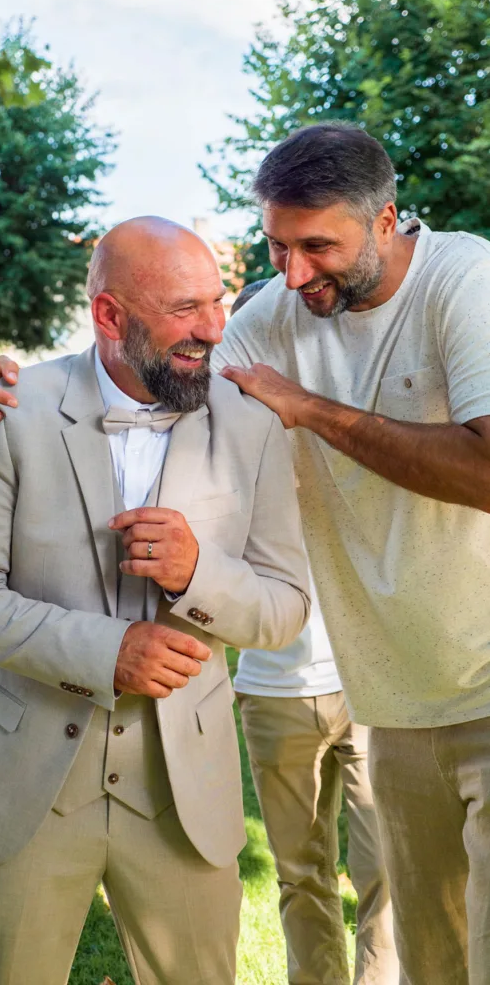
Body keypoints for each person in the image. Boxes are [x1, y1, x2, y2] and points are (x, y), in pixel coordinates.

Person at [0, 124, 490, 985]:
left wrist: (297, 429)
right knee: (436, 956)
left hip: (466, 681)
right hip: (397, 697)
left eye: (316, 247)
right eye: (276, 248)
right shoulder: (263, 319)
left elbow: (475, 477)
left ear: (386, 222)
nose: (290, 276)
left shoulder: (465, 281)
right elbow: (159, 370)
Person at [0, 216, 310, 985]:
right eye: (184, 310)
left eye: (217, 302)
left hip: (182, 795)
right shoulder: (4, 408)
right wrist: (108, 653)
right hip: (23, 781)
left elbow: (282, 608)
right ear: (109, 315)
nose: (211, 329)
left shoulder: (254, 423)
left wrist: (196, 574)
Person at [231, 281, 397, 985]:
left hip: (369, 687)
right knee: (301, 875)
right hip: (273, 690)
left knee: (387, 871)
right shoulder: (226, 452)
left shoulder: (358, 424)